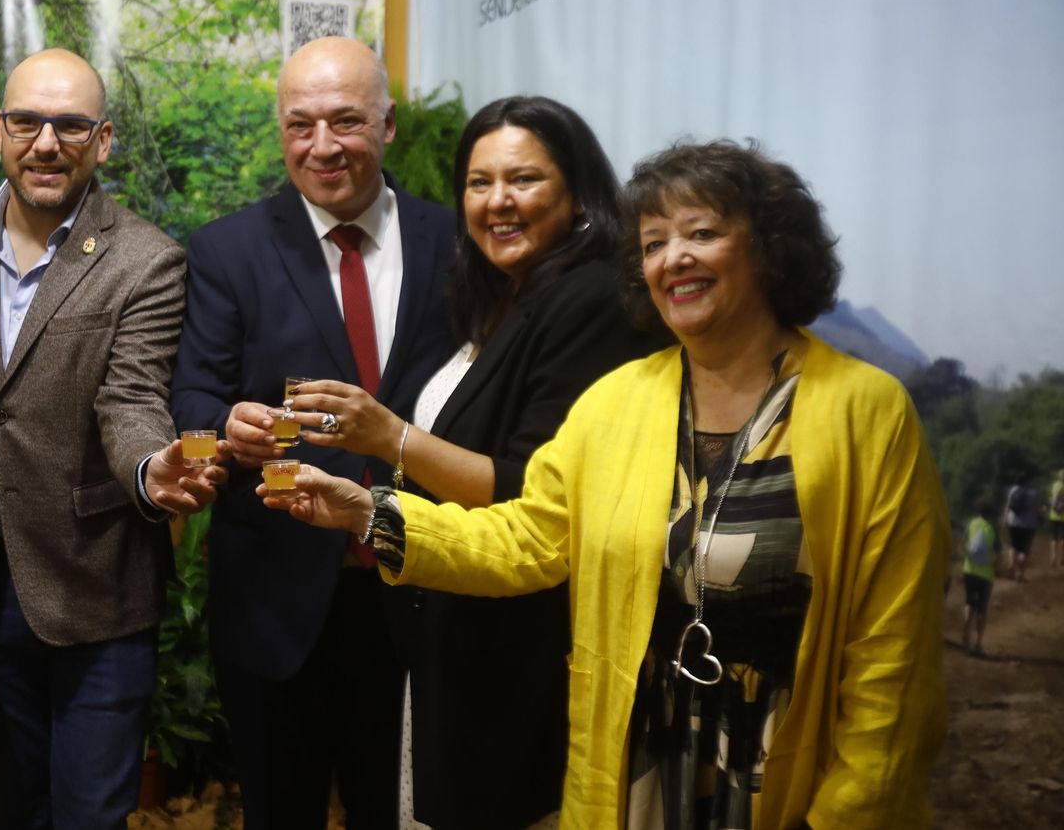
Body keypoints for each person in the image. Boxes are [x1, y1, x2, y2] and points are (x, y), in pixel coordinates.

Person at [268, 140, 950, 829]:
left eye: (703, 233)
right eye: (653, 243)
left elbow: (891, 655)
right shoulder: (616, 402)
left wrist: (848, 814)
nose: (672, 258)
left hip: (786, 785)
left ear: (770, 249)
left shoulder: (866, 411)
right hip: (636, 776)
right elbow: (526, 538)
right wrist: (370, 514)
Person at [285, 95, 666, 829]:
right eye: (478, 182)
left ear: (579, 194)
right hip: (452, 640)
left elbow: (526, 493)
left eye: (523, 180)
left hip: (518, 648)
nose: (497, 202)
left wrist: (386, 436)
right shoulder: (508, 297)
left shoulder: (592, 301)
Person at [0, 47, 227, 830]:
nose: (47, 143)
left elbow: (133, 398)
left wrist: (152, 471)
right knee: (8, 808)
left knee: (89, 816)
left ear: (103, 140)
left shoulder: (147, 259)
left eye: (71, 125)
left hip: (96, 588)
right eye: (28, 122)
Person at [169, 35, 456, 828]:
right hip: (276, 597)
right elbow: (190, 396)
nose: (322, 146)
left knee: (399, 809)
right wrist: (222, 428)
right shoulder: (228, 250)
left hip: (420, 586)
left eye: (345, 121)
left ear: (388, 124)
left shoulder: (455, 243)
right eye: (300, 125)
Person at [962, 497, 999, 655]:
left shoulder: (971, 524)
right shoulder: (992, 529)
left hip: (969, 570)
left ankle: (965, 636)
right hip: (985, 575)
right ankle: (978, 643)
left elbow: (964, 545)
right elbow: (998, 554)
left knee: (969, 603)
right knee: (982, 608)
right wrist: (996, 567)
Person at [1003, 477, 1040, 581]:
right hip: (1028, 525)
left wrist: (1005, 519)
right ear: (1027, 482)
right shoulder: (1033, 493)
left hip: (1013, 523)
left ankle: (1011, 568)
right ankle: (1020, 575)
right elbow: (1036, 510)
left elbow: (1007, 506)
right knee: (1024, 550)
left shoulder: (1013, 490)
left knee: (1013, 546)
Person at [1048, 467, 1064, 569]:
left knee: (1054, 538)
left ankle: (1053, 558)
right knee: (1063, 538)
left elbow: (1052, 500)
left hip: (1054, 515)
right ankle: (1062, 559)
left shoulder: (1055, 485)